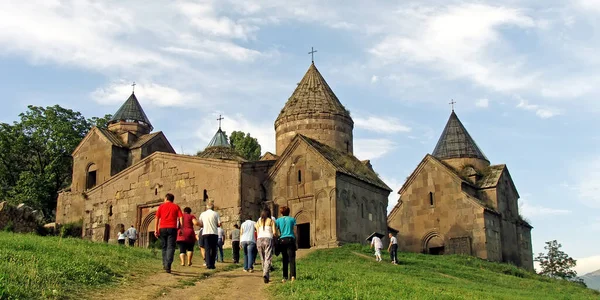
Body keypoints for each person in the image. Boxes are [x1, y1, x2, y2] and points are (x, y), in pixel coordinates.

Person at [154, 193, 183, 273]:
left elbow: (157, 218)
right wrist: (181, 228)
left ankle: (164, 263)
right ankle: (168, 264)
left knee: (164, 247)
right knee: (170, 247)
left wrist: (156, 229)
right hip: (172, 228)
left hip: (162, 228)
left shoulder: (161, 206)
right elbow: (181, 217)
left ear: (166, 198)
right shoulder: (176, 206)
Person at [275, 206, 297, 283]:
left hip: (282, 240)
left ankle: (284, 277)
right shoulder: (292, 219)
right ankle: (293, 276)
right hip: (290, 239)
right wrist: (296, 241)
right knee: (292, 258)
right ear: (289, 212)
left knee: (285, 258)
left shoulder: (278, 220)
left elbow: (275, 231)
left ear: (281, 212)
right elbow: (295, 231)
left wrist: (278, 238)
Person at [199, 201, 221, 269]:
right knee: (214, 249)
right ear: (213, 208)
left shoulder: (203, 214)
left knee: (207, 249)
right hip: (214, 233)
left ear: (206, 207)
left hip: (205, 233)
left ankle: (208, 264)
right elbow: (219, 224)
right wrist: (215, 225)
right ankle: (212, 264)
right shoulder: (216, 214)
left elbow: (200, 223)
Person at [255, 208, 275, 284]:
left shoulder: (258, 221)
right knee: (268, 257)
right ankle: (265, 274)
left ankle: (266, 275)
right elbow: (274, 232)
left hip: (259, 240)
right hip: (268, 239)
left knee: (263, 258)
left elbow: (257, 230)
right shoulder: (271, 221)